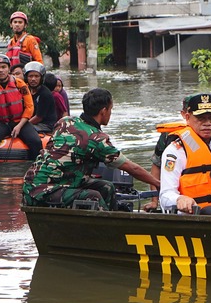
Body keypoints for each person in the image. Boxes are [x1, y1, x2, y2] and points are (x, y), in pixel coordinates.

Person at [23, 87, 159, 211]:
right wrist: (157, 183)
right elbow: (132, 168)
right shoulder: (97, 139)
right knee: (93, 197)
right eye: (110, 109)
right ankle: (109, 231)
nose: (110, 113)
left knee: (107, 187)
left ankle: (115, 219)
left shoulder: (65, 122)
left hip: (36, 185)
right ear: (103, 111)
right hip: (42, 191)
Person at [0, 54, 42, 164]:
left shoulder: (19, 84)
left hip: (20, 121)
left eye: (3, 67)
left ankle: (35, 167)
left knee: (35, 141)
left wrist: (19, 126)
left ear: (9, 68)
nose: (0, 70)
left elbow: (29, 107)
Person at [24, 61, 59, 134]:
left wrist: (23, 125)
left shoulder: (45, 94)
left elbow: (39, 117)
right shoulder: (27, 91)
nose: (33, 79)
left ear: (41, 78)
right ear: (26, 78)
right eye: (30, 76)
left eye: (36, 76)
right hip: (32, 121)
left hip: (46, 125)